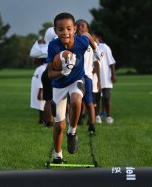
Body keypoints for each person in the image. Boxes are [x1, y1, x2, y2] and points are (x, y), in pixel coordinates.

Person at [46, 12, 101, 164]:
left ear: (75, 29)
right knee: (59, 124)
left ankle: (72, 132)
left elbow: (88, 36)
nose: (65, 32)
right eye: (61, 29)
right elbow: (50, 74)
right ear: (55, 30)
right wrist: (63, 71)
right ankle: (58, 156)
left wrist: (96, 51)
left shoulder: (81, 42)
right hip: (59, 86)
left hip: (76, 79)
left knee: (77, 100)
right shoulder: (53, 46)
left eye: (69, 28)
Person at [75, 19, 101, 134]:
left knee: (89, 102)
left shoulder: (92, 44)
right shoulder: (71, 40)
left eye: (83, 26)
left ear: (87, 29)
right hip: (74, 77)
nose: (80, 28)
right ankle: (73, 126)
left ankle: (92, 126)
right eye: (78, 26)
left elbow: (97, 62)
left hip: (87, 76)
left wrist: (99, 80)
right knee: (74, 103)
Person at [30, 27, 57, 126]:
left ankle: (47, 121)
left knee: (47, 100)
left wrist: (37, 43)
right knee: (55, 99)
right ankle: (52, 121)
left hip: (46, 72)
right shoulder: (58, 45)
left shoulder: (45, 47)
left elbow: (33, 53)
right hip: (54, 72)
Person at [93, 30, 117, 124]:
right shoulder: (90, 48)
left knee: (106, 97)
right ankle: (97, 116)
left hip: (106, 77)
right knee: (97, 98)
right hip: (95, 78)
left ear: (98, 38)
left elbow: (111, 62)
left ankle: (109, 116)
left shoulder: (105, 47)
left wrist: (113, 74)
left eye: (93, 36)